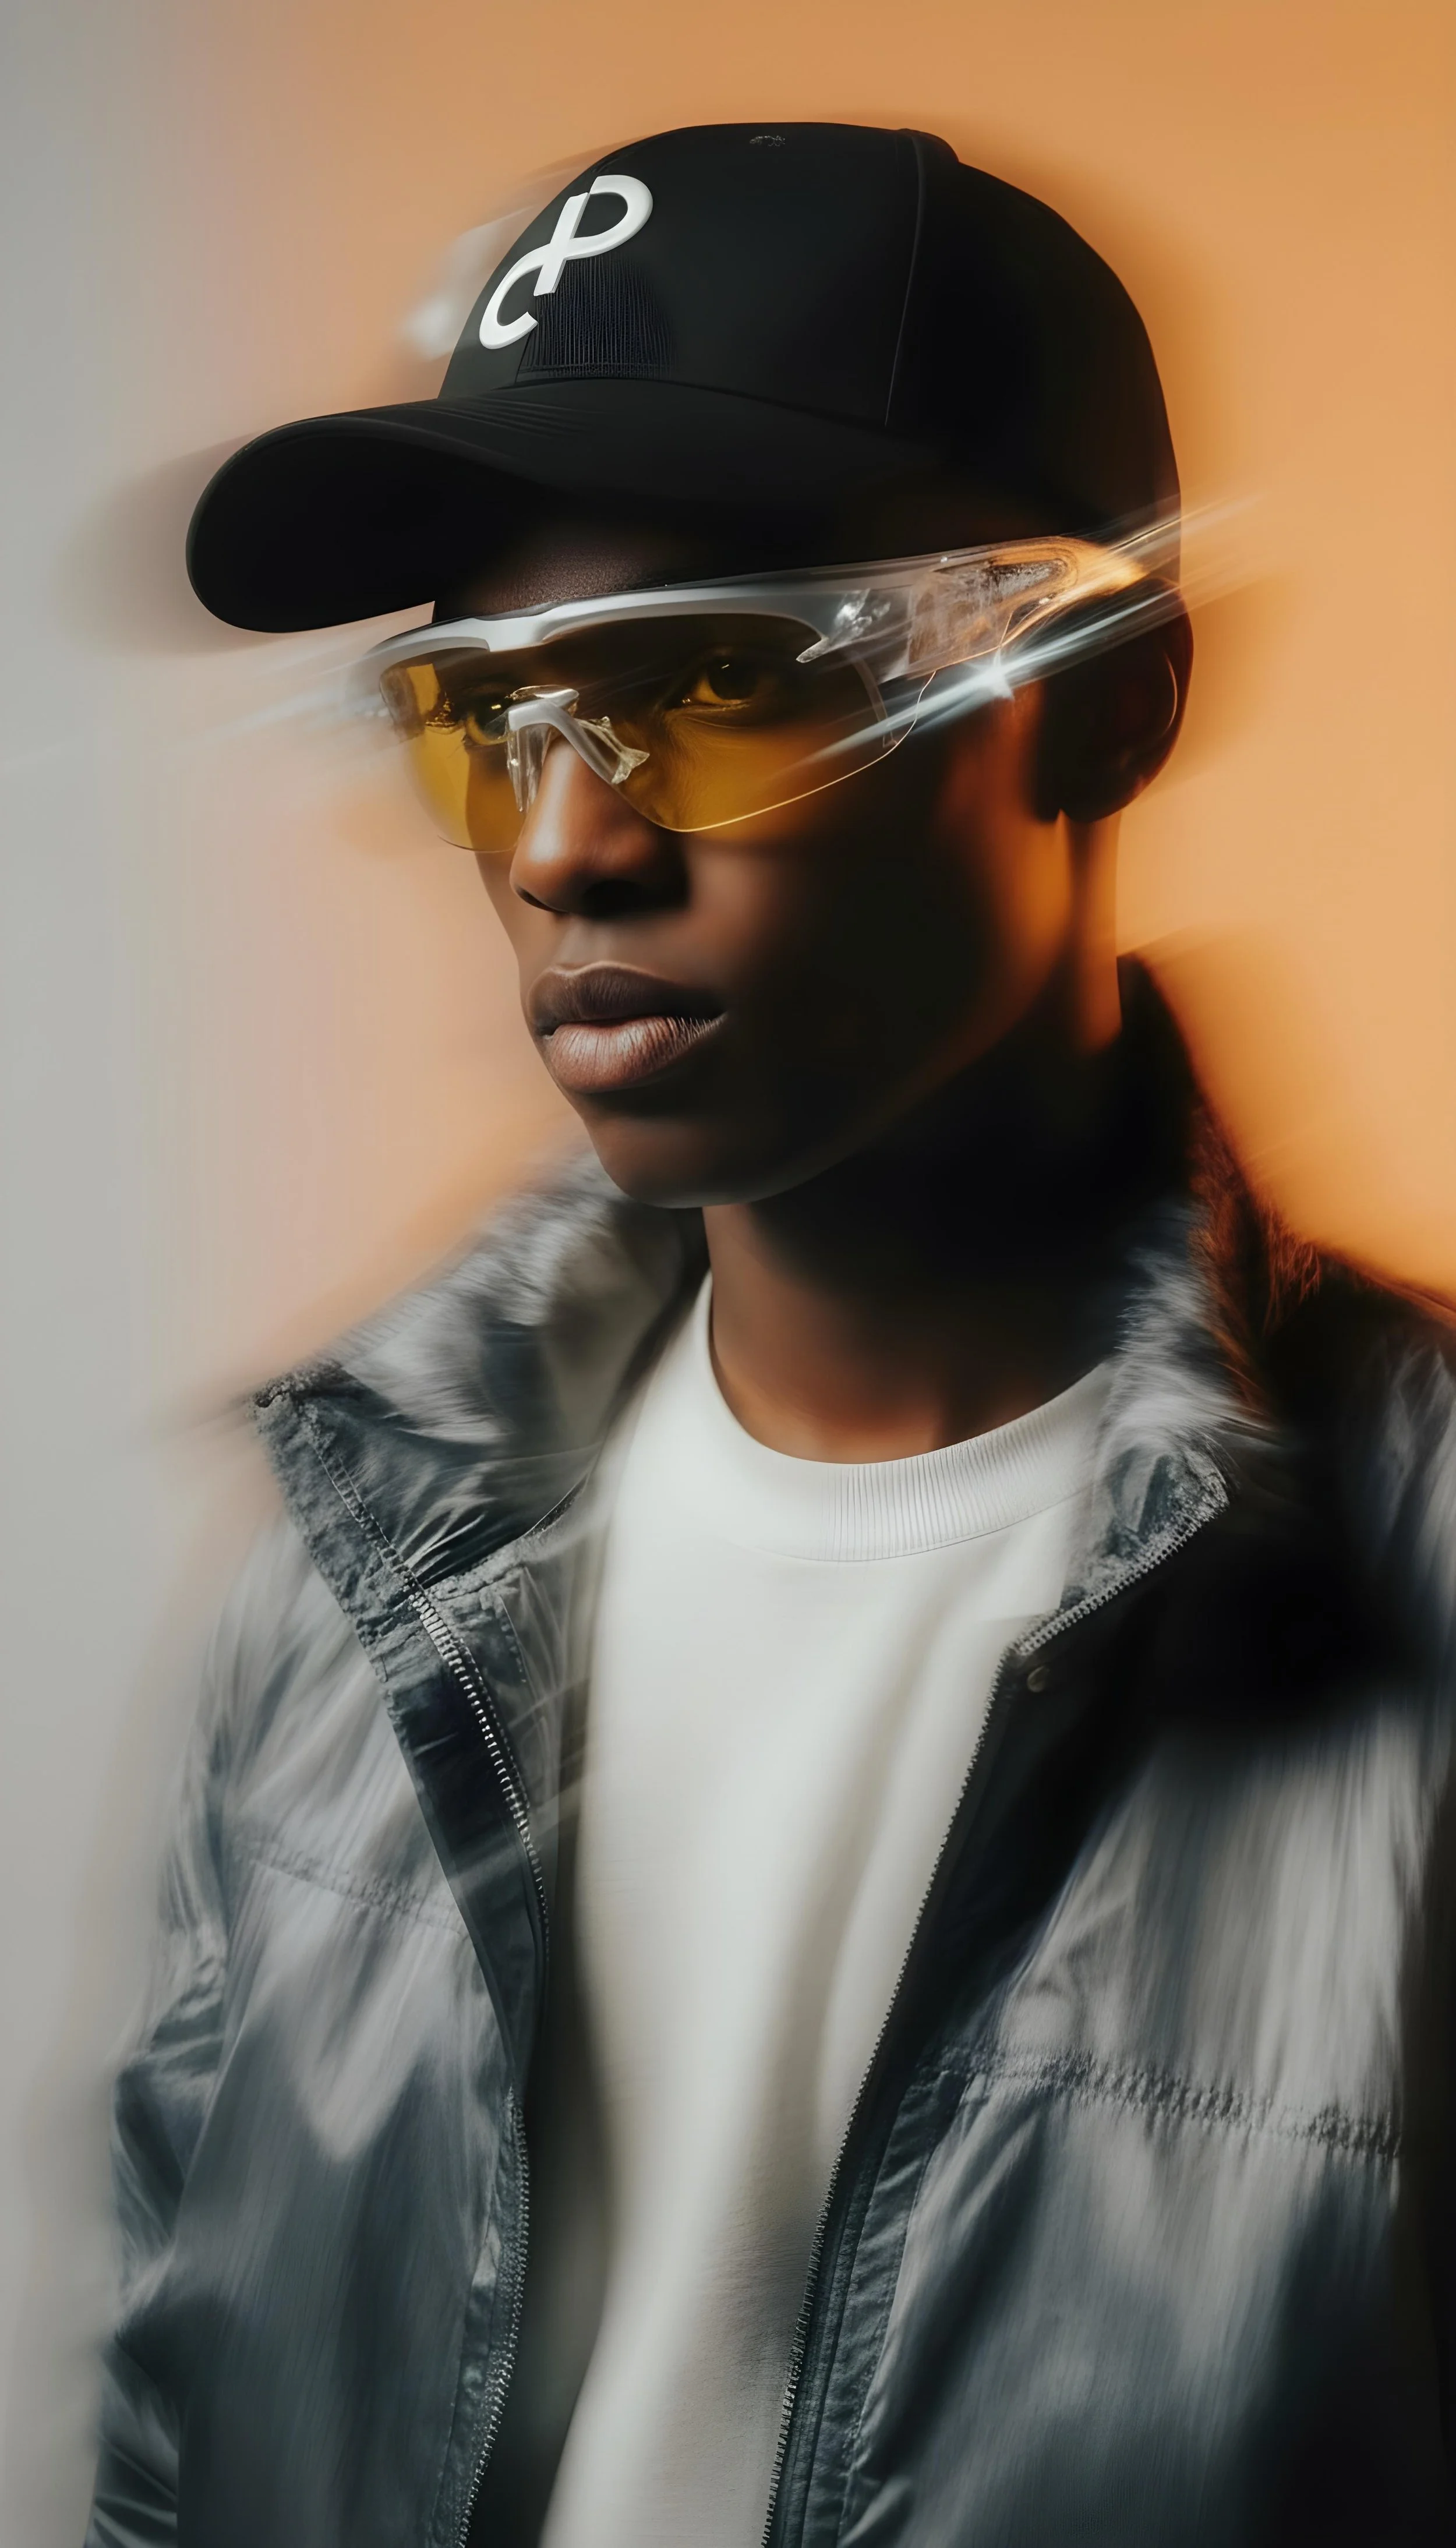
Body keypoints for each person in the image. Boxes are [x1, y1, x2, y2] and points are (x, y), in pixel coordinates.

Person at [87, 123, 1456, 2548]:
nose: (562, 844)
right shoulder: (344, 1588)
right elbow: (181, 2451)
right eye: (479, 716)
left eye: (716, 679)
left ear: (1108, 705)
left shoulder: (1416, 1609)